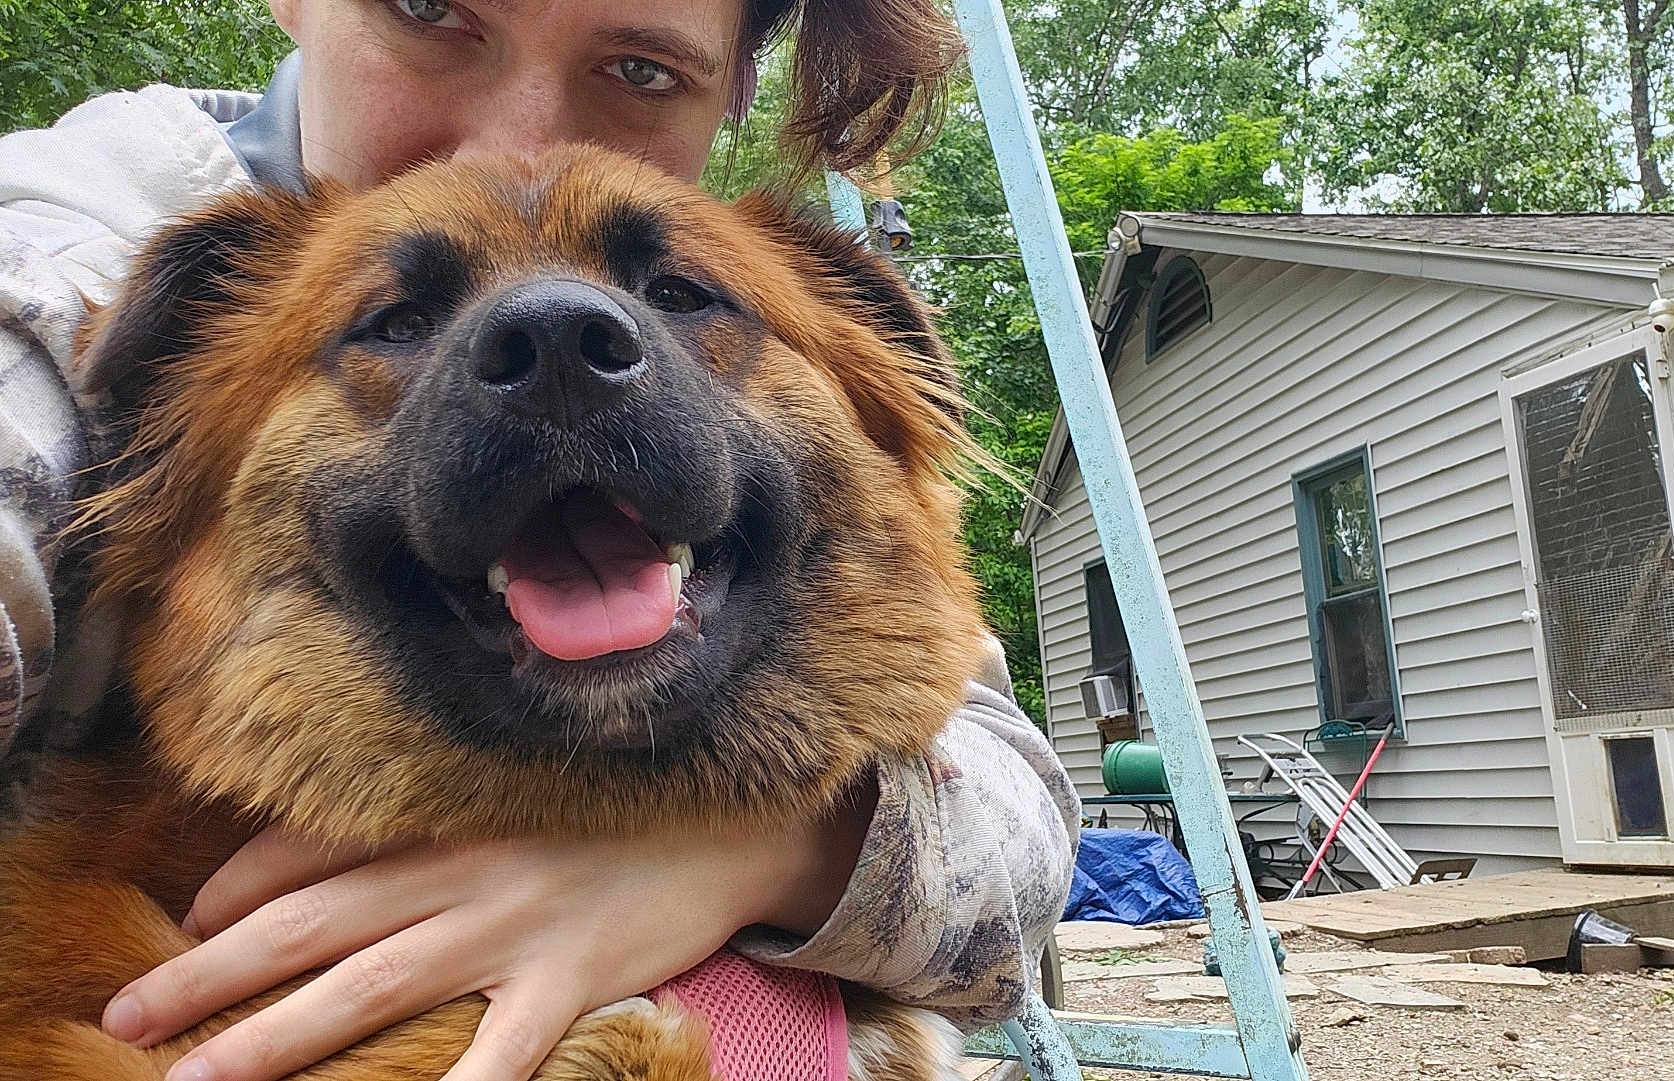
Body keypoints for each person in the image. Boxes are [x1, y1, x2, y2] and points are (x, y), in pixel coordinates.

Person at [0, 3, 1081, 1081]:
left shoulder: (765, 271)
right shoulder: (59, 265)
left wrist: (791, 846)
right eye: (430, 11)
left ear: (734, 87)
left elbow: (1007, 780)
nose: (518, 143)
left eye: (641, 68)